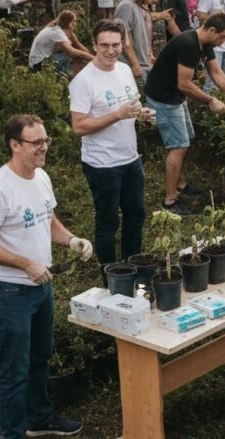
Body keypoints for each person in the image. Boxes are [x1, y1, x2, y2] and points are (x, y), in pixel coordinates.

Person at [0, 114, 92, 439]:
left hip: (42, 287)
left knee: (40, 357)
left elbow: (47, 218)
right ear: (14, 145)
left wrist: (70, 240)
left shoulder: (40, 177)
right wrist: (25, 264)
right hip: (11, 292)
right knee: (13, 370)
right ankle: (11, 433)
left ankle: (39, 419)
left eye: (46, 140)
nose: (44, 148)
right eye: (36, 142)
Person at [144, 15, 225, 215]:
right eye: (223, 37)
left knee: (186, 139)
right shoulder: (188, 44)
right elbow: (184, 84)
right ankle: (170, 201)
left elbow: (215, 72)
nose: (223, 42)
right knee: (178, 146)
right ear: (212, 30)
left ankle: (181, 184)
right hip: (163, 98)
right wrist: (210, 101)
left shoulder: (204, 43)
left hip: (175, 97)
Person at [69, 19, 150, 271]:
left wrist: (142, 114)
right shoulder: (83, 81)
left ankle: (131, 266)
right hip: (102, 163)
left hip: (130, 158)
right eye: (104, 45)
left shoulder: (124, 70)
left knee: (136, 215)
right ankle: (109, 273)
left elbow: (131, 106)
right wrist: (116, 115)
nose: (111, 51)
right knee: (108, 222)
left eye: (116, 45)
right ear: (94, 45)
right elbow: (78, 126)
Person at [115, 0, 171, 80]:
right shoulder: (127, 6)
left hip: (145, 62)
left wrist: (150, 55)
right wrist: (135, 64)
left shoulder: (145, 6)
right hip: (132, 65)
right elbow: (122, 38)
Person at [28, 10, 93, 74]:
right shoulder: (57, 32)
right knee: (71, 56)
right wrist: (94, 59)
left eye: (75, 21)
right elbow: (72, 52)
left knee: (74, 55)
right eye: (73, 21)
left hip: (37, 62)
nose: (75, 24)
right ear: (67, 22)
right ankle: (68, 77)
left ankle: (68, 75)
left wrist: (89, 55)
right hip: (38, 65)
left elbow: (79, 45)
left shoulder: (59, 29)